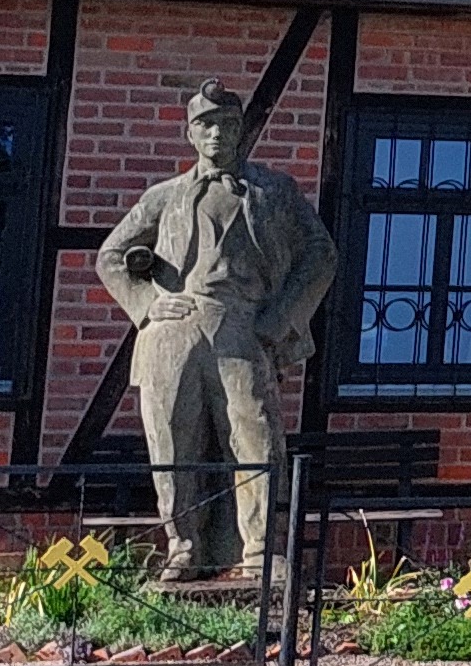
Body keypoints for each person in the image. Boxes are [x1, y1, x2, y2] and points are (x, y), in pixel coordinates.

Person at [92, 83, 337, 583]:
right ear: (190, 134)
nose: (217, 135)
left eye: (227, 125)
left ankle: (260, 551)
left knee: (256, 437)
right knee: (172, 440)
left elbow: (321, 255)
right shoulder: (164, 196)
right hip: (172, 332)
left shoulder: (273, 191)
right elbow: (110, 256)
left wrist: (278, 320)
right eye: (206, 125)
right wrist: (148, 304)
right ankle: (184, 547)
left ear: (241, 130)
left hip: (242, 327)